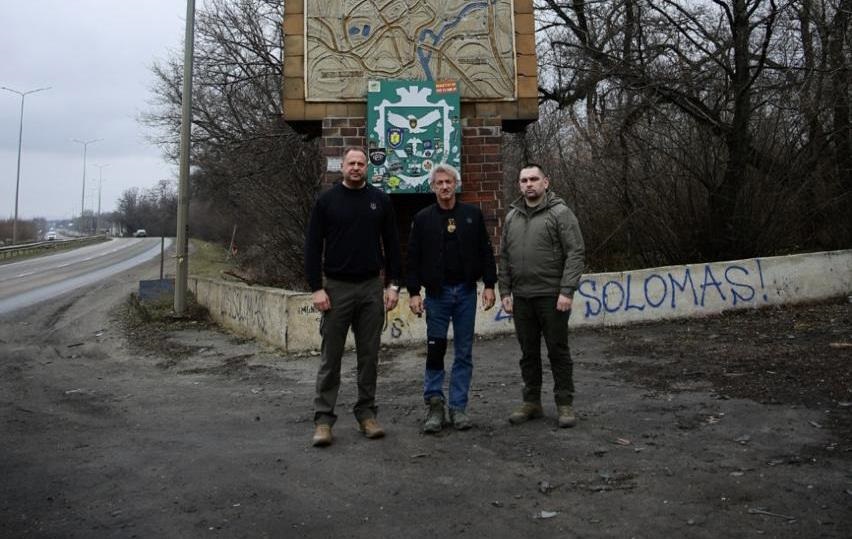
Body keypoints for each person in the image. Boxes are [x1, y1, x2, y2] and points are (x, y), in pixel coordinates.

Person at [304, 147, 402, 447]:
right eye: (351, 163)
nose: (356, 167)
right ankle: (323, 420)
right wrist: (316, 287)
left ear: (367, 167)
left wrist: (393, 285)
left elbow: (393, 245)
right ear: (342, 167)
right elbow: (312, 246)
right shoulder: (326, 201)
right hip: (336, 288)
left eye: (361, 163)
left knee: (369, 356)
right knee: (331, 357)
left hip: (371, 287)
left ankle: (367, 414)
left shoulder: (380, 200)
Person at [407, 163, 497, 433]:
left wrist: (489, 285)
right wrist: (414, 292)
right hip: (437, 295)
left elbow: (486, 251)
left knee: (464, 352)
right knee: (435, 350)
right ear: (432, 187)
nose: (444, 187)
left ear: (455, 184)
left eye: (449, 182)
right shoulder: (422, 218)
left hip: (466, 292)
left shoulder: (472, 215)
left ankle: (458, 407)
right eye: (440, 183)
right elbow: (412, 258)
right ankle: (435, 405)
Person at [498, 163, 585, 428]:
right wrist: (505, 291)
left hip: (552, 296)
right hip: (522, 298)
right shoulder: (511, 217)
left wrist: (566, 291)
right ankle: (531, 402)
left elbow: (575, 253)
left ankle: (565, 403)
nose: (529, 184)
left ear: (545, 182)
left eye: (534, 179)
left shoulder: (560, 213)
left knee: (558, 351)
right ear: (519, 185)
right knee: (528, 353)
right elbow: (504, 256)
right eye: (524, 180)